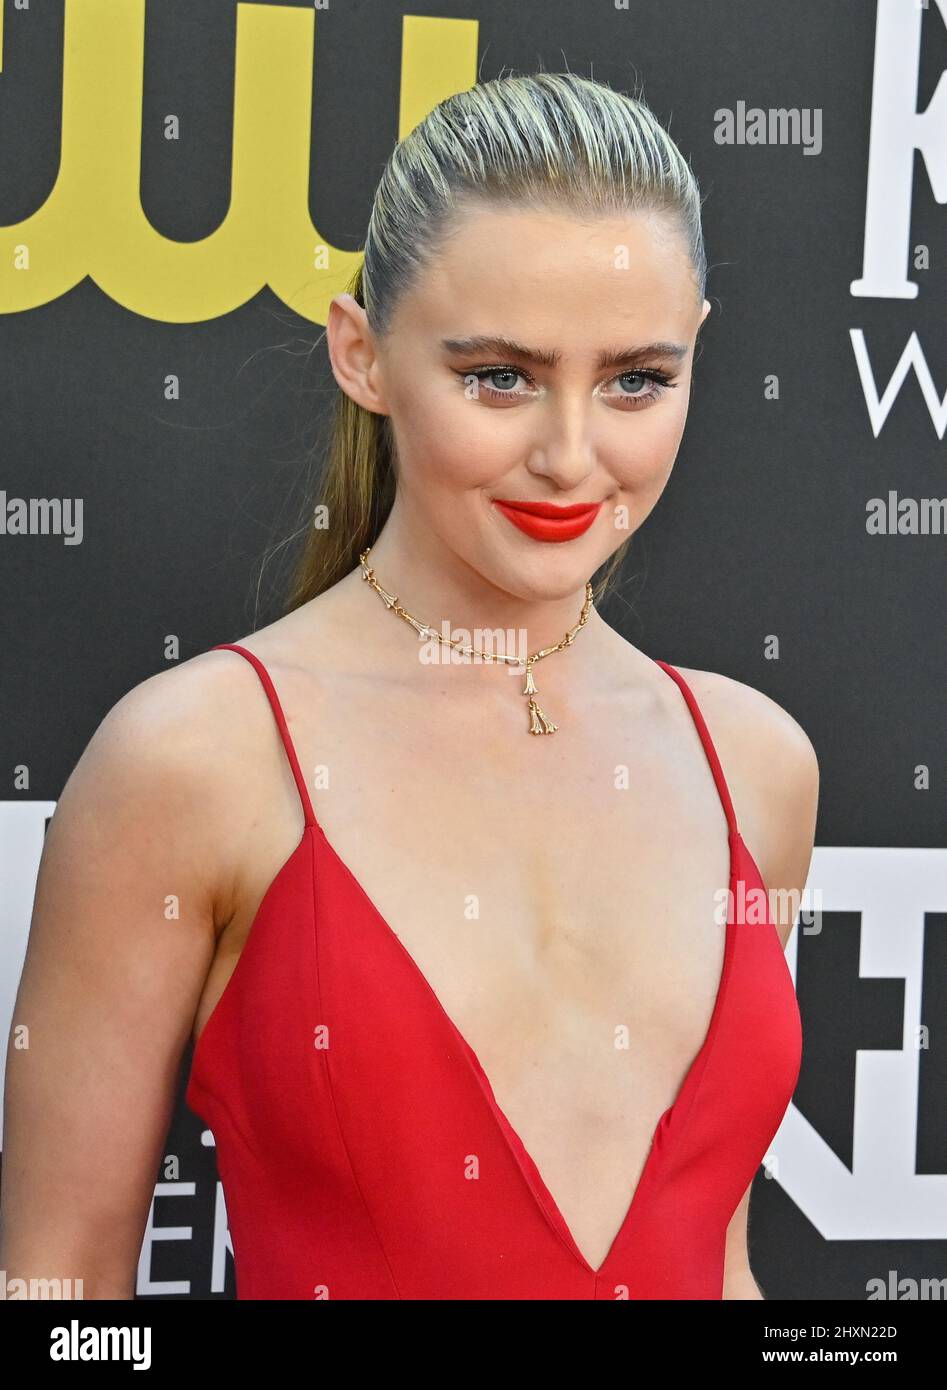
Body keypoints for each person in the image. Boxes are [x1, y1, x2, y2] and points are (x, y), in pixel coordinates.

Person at [1, 71, 818, 1300]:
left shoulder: (756, 764)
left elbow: (717, 1259)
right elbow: (57, 1299)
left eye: (635, 380)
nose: (568, 453)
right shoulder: (197, 759)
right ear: (362, 356)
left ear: (696, 351)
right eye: (498, 376)